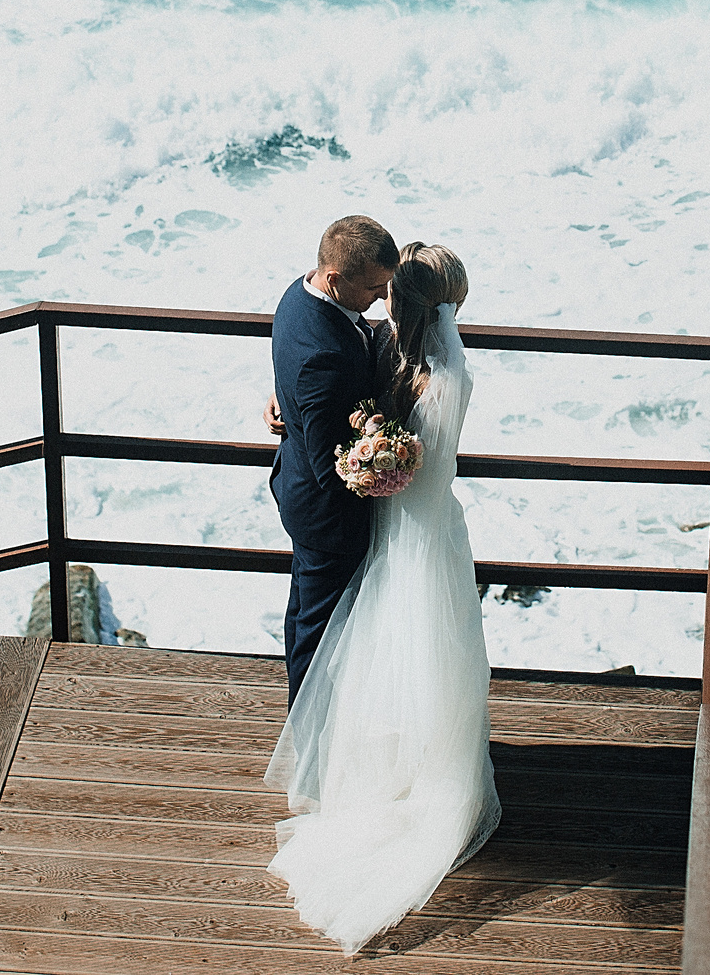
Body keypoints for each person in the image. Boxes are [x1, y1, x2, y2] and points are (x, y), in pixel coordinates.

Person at [265, 243, 500, 954]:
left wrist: (372, 456)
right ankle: (399, 762)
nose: (379, 300)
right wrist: (297, 406)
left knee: (388, 642)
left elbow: (385, 418)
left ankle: (380, 764)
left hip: (405, 525)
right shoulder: (408, 356)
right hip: (404, 525)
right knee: (403, 645)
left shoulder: (421, 367)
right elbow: (335, 380)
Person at [266, 214, 399, 704]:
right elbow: (333, 470)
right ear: (336, 279)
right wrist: (386, 454)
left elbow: (296, 367)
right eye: (374, 288)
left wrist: (285, 398)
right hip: (327, 519)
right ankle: (309, 732)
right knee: (321, 633)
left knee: (305, 615)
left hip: (297, 487)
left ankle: (307, 723)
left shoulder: (297, 294)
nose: (382, 298)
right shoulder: (325, 358)